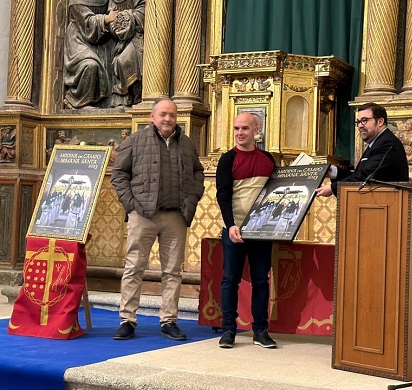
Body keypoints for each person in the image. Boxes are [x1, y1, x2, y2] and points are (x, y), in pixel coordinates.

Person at [111, 98, 205, 340]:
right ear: (152, 117)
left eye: (172, 115)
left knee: (173, 271)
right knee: (134, 268)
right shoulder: (135, 141)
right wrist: (131, 205)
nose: (168, 119)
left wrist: (192, 199)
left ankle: (169, 320)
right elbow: (119, 173)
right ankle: (127, 320)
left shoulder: (185, 144)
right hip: (143, 215)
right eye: (163, 114)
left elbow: (197, 172)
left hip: (175, 215)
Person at [216, 112, 277, 349]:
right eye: (236, 128)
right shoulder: (227, 159)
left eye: (245, 128)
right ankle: (228, 330)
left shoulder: (268, 159)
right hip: (234, 230)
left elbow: (277, 193)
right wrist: (231, 224)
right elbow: (223, 195)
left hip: (261, 232)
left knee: (261, 281)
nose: (240, 133)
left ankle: (260, 331)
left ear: (256, 130)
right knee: (230, 280)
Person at [316, 102, 409, 197]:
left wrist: (333, 188)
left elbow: (364, 178)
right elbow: (360, 175)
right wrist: (335, 172)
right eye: (358, 122)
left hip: (387, 204)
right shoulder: (377, 142)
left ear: (380, 122)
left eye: (364, 120)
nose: (360, 126)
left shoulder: (386, 143)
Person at [63, 1, 117, 109]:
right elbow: (86, 22)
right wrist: (106, 19)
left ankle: (107, 102)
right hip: (80, 38)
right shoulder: (76, 2)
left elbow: (113, 9)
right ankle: (78, 101)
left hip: (102, 40)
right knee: (90, 65)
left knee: (116, 61)